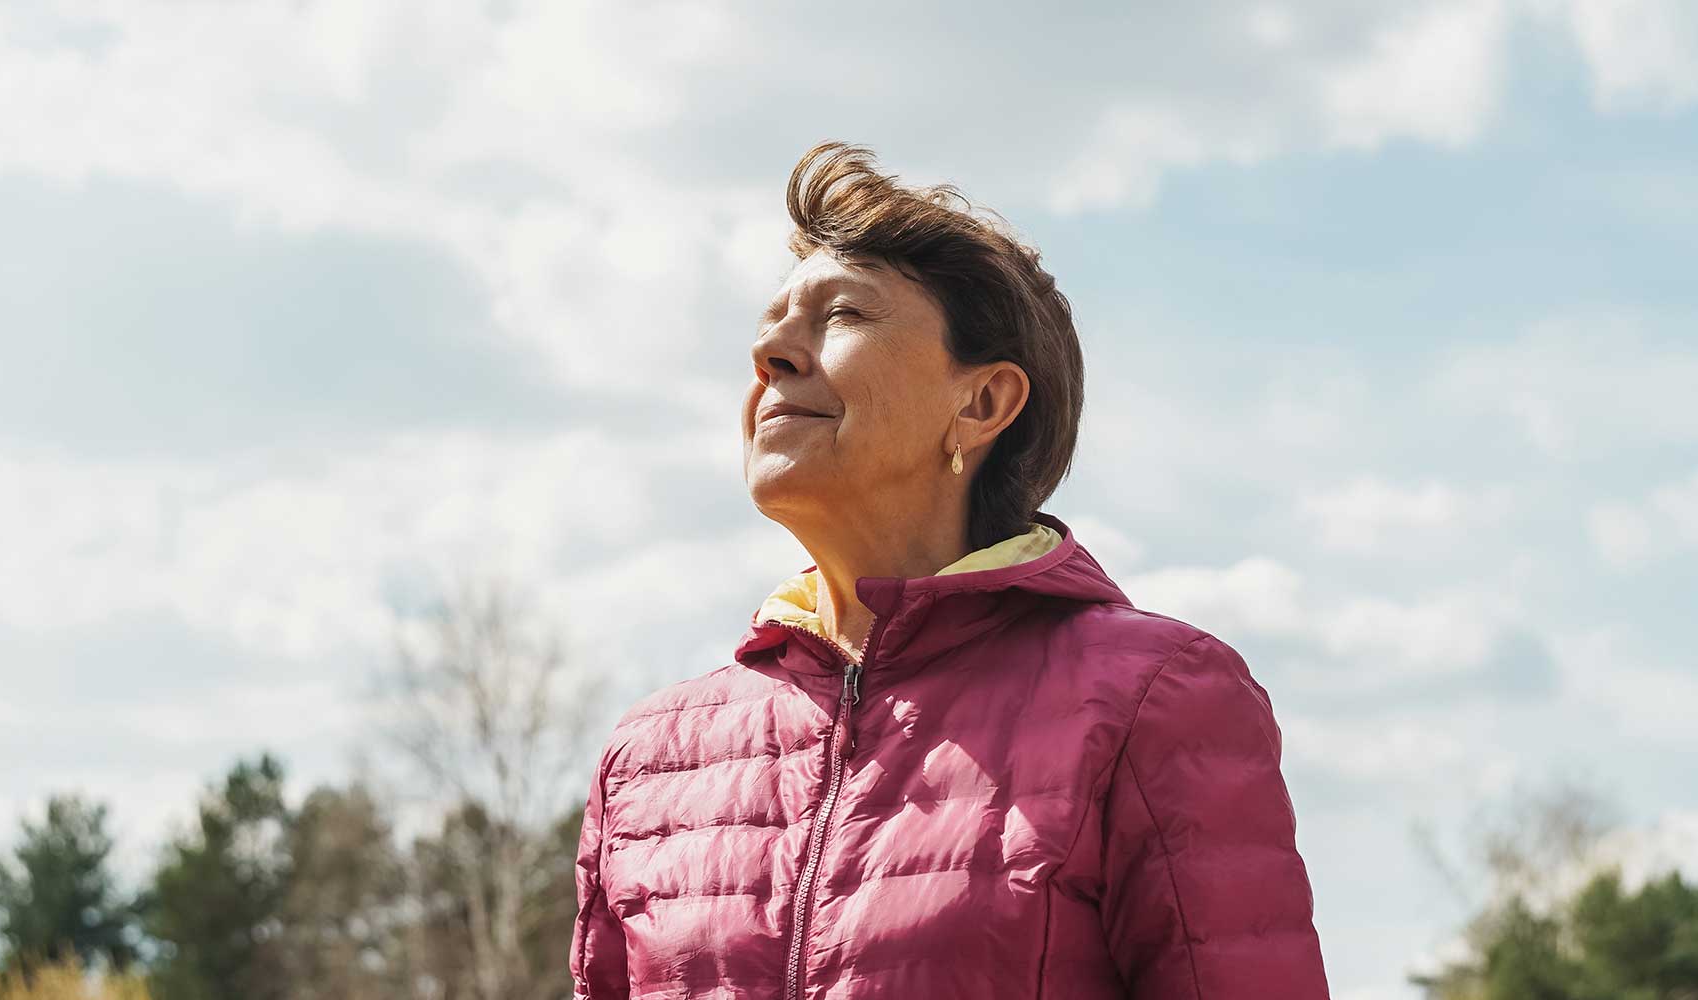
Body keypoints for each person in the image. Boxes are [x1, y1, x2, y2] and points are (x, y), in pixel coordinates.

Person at [570, 141, 1329, 999]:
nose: (771, 353)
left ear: (983, 404)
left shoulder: (1155, 698)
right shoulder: (649, 759)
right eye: (770, 325)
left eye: (843, 314)